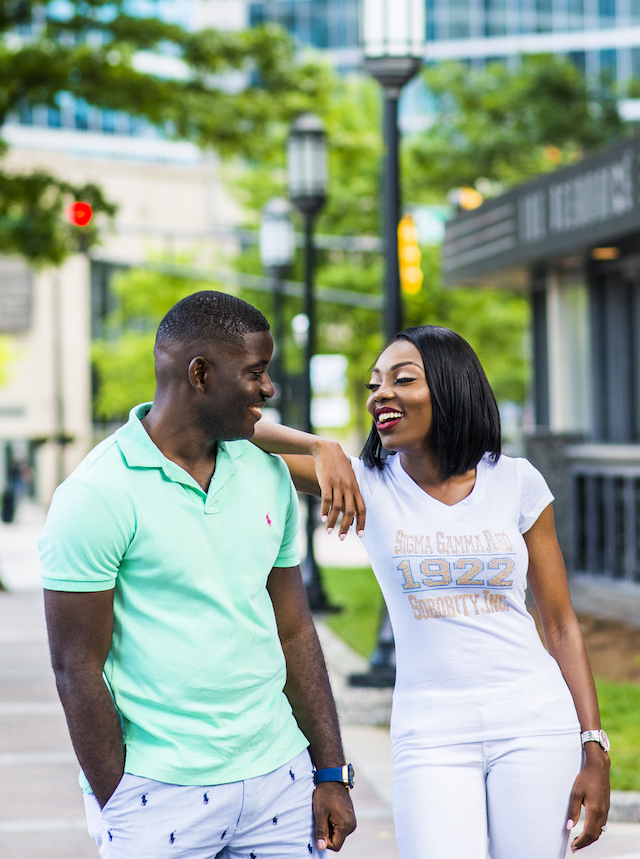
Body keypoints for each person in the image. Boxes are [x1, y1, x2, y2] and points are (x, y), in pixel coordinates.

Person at [252, 324, 611, 859]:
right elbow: (228, 426)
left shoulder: (517, 481)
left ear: (450, 387)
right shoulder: (364, 483)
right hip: (431, 731)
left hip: (535, 722)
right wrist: (319, 445)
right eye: (375, 384)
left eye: (403, 379)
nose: (381, 394)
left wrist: (594, 747)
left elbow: (559, 623)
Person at [38, 290, 358, 859]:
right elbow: (75, 667)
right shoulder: (96, 494)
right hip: (157, 794)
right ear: (201, 374)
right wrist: (121, 796)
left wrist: (329, 769)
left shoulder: (268, 475)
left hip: (279, 783)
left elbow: (295, 631)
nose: (268, 389)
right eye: (256, 372)